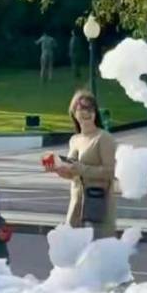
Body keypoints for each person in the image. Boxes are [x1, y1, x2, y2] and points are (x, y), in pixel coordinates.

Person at [48, 91, 117, 239]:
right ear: (74, 113)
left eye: (90, 109)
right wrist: (59, 169)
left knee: (96, 254)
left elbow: (111, 171)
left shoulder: (103, 138)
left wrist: (82, 169)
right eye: (82, 109)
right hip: (76, 207)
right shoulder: (75, 139)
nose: (87, 113)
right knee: (75, 255)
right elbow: (73, 173)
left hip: (97, 205)